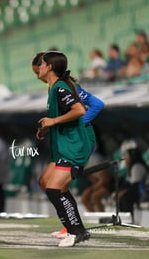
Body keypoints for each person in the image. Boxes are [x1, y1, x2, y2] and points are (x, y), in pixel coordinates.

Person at [35, 51, 92, 247]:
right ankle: (77, 229)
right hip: (65, 147)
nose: (39, 68)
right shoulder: (54, 89)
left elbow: (79, 110)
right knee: (49, 185)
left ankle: (74, 231)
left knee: (54, 189)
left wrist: (53, 121)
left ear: (49, 67)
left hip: (73, 147)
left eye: (41, 64)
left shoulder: (59, 89)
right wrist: (46, 128)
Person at [119, 148, 148, 223]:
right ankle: (123, 219)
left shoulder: (137, 166)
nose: (125, 158)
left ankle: (129, 220)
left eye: (127, 156)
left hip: (144, 192)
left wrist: (123, 192)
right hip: (138, 191)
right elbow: (128, 183)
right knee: (123, 196)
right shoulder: (132, 166)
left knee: (126, 196)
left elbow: (135, 185)